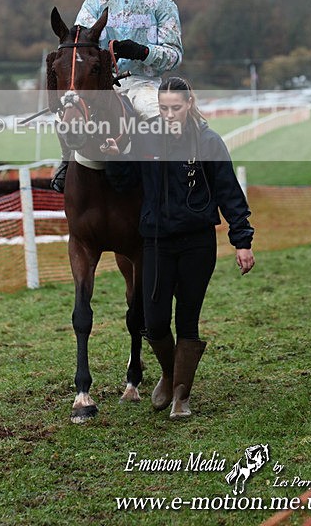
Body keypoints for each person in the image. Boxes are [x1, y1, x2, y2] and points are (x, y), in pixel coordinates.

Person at [101, 76, 255, 419]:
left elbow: (230, 193)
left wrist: (242, 242)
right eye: (165, 108)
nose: (170, 114)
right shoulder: (145, 139)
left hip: (197, 244)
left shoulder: (209, 142)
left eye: (176, 108)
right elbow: (126, 182)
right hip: (156, 242)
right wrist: (114, 157)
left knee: (187, 322)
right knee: (154, 322)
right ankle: (170, 375)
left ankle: (181, 398)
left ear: (189, 104)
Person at [51, 0, 183, 192]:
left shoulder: (161, 4)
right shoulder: (95, 2)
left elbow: (174, 56)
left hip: (144, 83)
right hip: (104, 83)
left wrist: (141, 51)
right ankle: (67, 162)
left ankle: (171, 182)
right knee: (67, 113)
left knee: (155, 113)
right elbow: (79, 49)